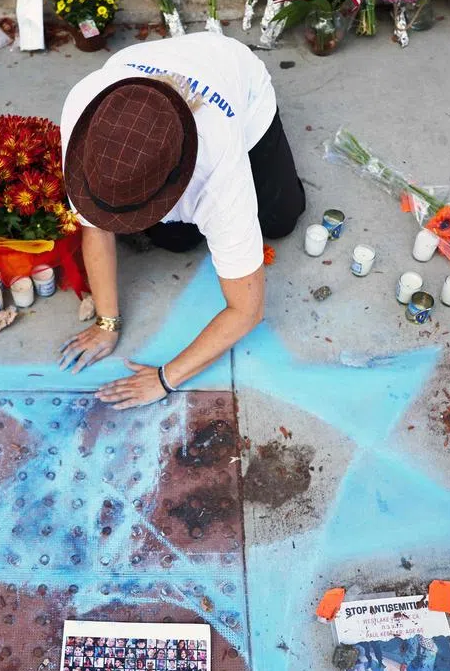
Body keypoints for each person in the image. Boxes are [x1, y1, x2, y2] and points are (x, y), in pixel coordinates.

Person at [57, 32, 306, 409]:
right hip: (144, 73)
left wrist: (164, 378)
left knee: (281, 219)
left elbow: (248, 309)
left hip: (235, 81)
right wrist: (106, 323)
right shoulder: (86, 117)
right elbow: (96, 226)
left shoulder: (219, 172)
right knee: (176, 240)